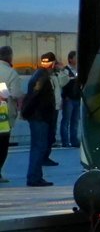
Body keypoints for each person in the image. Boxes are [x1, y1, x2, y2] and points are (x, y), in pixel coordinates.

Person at [21, 53, 57, 187]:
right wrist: (26, 112)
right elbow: (34, 97)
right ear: (52, 64)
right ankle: (34, 177)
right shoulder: (42, 77)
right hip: (40, 117)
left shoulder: (37, 74)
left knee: (37, 147)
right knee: (39, 147)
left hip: (38, 116)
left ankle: (35, 176)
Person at [0, 46, 21, 184]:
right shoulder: (11, 73)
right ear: (10, 57)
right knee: (2, 146)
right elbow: (16, 94)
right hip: (4, 116)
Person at [60, 51, 81, 148]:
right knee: (66, 120)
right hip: (68, 99)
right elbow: (63, 84)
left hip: (77, 98)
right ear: (70, 59)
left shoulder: (78, 70)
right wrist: (65, 96)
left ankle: (74, 140)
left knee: (75, 121)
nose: (77, 60)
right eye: (75, 58)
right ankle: (65, 141)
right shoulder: (65, 70)